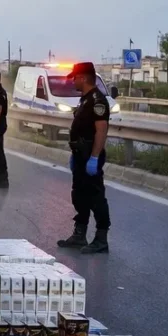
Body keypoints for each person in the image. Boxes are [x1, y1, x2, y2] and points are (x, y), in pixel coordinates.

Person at [57, 62, 111, 254]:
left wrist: (94, 158)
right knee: (79, 195)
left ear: (83, 78)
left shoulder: (97, 100)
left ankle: (101, 238)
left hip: (90, 155)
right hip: (80, 155)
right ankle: (79, 234)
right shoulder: (85, 99)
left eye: (75, 77)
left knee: (96, 196)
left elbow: (101, 131)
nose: (73, 81)